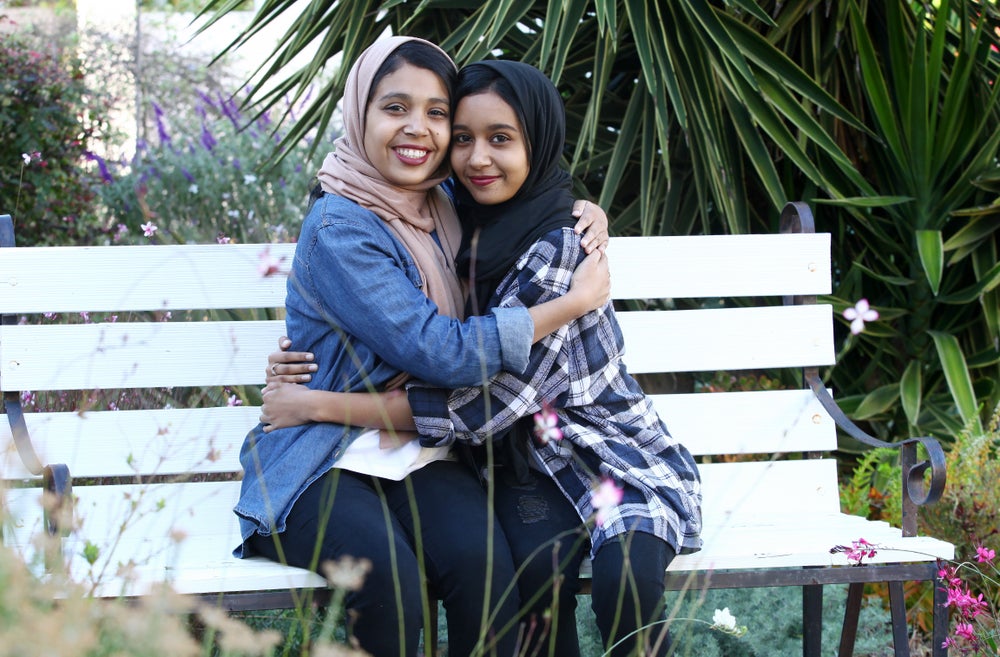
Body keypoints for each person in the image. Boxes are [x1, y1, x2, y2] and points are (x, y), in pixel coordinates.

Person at [261, 60, 703, 657]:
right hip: (379, 455)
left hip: (579, 455)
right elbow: (439, 352)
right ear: (357, 112)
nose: (472, 157)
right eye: (395, 108)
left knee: (517, 578)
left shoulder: (462, 211)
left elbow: (478, 404)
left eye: (436, 115)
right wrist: (570, 299)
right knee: (428, 583)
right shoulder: (406, 214)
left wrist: (584, 213)